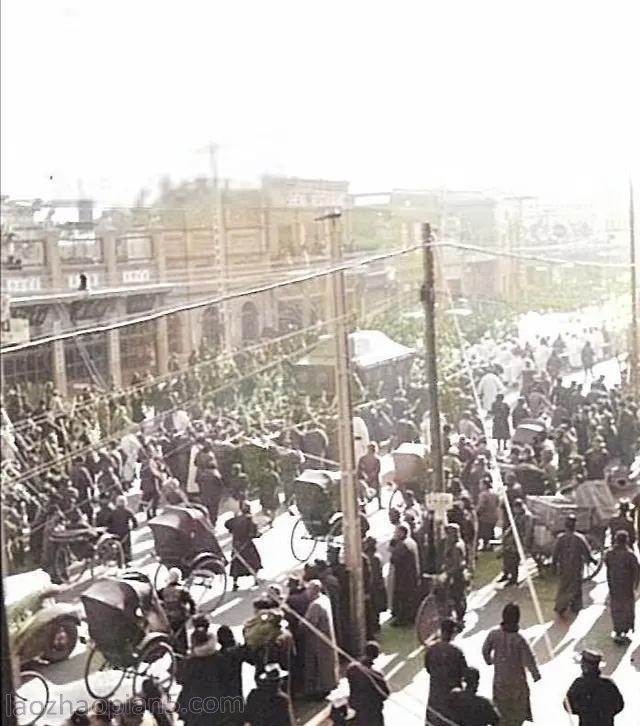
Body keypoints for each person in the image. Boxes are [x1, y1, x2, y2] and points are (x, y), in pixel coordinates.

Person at [482, 602, 540, 726]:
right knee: (517, 714)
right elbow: (529, 660)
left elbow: (485, 650)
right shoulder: (519, 640)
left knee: (501, 711)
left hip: (500, 681)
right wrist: (536, 675)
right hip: (517, 684)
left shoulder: (494, 635)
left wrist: (489, 661)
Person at [424, 618, 467, 726]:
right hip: (452, 696)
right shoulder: (457, 652)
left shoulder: (431, 650)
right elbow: (464, 673)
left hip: (435, 694)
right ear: (453, 633)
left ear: (441, 631)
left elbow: (428, 668)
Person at [565, 650, 624, 726]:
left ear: (584, 666)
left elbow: (568, 706)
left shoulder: (579, 684)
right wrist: (606, 712)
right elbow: (619, 705)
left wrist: (584, 710)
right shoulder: (608, 684)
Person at [303, 579, 339, 699]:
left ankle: (319, 690)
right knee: (327, 663)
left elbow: (308, 623)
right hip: (326, 637)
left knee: (318, 666)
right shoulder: (324, 599)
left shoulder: (315, 605)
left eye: (308, 589)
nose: (306, 593)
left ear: (313, 591)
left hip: (317, 640)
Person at [552, 514, 593, 617]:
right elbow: (587, 552)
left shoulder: (561, 538)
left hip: (564, 567)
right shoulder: (580, 538)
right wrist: (591, 560)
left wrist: (553, 566)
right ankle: (575, 606)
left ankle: (561, 606)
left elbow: (555, 553)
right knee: (576, 587)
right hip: (576, 567)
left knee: (564, 587)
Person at [605, 529, 640, 643]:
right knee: (627, 608)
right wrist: (636, 586)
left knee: (616, 607)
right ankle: (624, 630)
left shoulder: (610, 553)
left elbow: (607, 565)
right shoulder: (630, 555)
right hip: (626, 586)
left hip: (614, 585)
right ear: (627, 541)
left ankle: (618, 630)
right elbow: (637, 571)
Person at [346, 640, 389, 726]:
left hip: (359, 711)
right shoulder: (377, 674)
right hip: (374, 713)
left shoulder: (352, 669)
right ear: (377, 655)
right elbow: (385, 694)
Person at [225, 500, 262, 591]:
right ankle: (255, 579)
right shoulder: (249, 519)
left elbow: (227, 524)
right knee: (254, 560)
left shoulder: (236, 519)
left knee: (236, 564)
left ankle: (235, 583)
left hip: (236, 545)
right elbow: (253, 533)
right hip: (246, 545)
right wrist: (257, 534)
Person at [158, 567, 195, 655]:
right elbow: (192, 603)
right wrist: (191, 614)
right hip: (180, 618)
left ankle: (174, 653)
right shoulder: (183, 591)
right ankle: (183, 654)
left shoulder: (162, 591)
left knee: (172, 636)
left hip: (168, 618)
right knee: (182, 637)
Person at [389, 524, 419, 625]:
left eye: (396, 532)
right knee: (409, 597)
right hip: (411, 575)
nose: (394, 534)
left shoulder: (402, 544)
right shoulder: (411, 542)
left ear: (402, 533)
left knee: (402, 598)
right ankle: (409, 617)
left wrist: (392, 550)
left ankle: (402, 619)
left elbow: (395, 559)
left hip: (403, 576)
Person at [107, 495, 137, 563]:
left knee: (119, 545)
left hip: (115, 531)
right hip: (125, 531)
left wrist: (111, 529)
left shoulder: (113, 512)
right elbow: (134, 520)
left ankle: (119, 558)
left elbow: (108, 521)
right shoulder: (128, 511)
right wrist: (134, 526)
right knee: (127, 545)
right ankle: (128, 559)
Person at [476, 477, 499, 551]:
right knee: (490, 532)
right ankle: (488, 546)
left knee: (481, 532)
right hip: (493, 516)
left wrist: (477, 513)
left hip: (485, 517)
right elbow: (497, 503)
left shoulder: (483, 495)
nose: (479, 486)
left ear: (485, 485)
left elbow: (481, 506)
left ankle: (483, 546)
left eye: (480, 484)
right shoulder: (494, 494)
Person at [357, 443, 382, 508]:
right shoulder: (363, 458)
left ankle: (379, 504)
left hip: (372, 478)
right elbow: (360, 469)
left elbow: (377, 469)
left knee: (377, 489)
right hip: (366, 478)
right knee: (362, 489)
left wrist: (370, 475)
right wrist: (365, 475)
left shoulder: (376, 459)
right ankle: (364, 503)